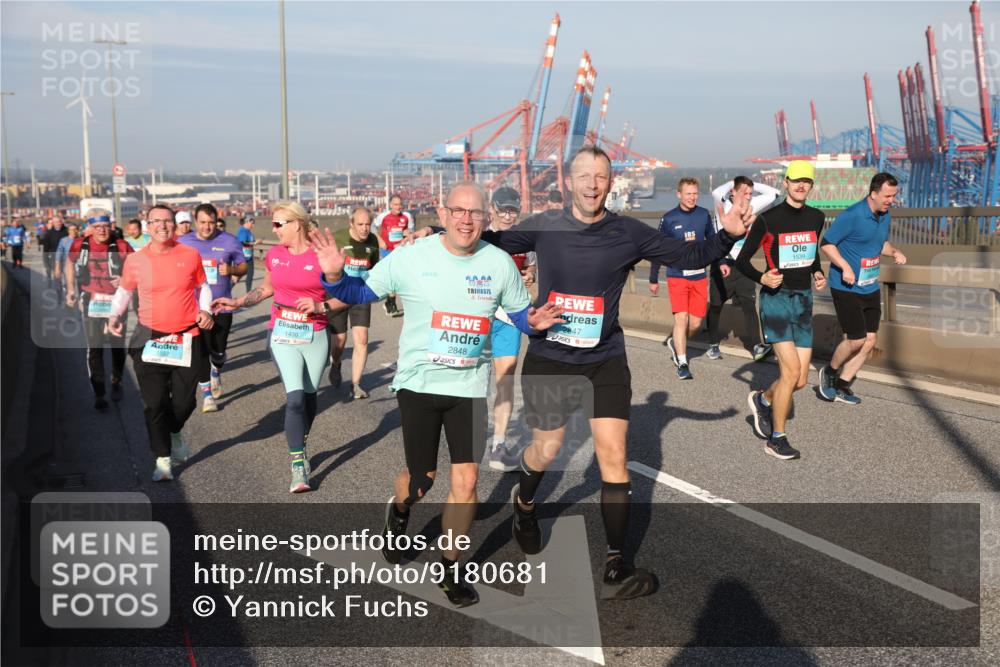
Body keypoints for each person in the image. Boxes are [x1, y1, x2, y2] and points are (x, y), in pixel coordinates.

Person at [408, 146, 752, 600]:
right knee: (546, 449)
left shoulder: (629, 232)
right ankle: (525, 503)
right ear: (570, 182)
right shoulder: (546, 225)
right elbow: (484, 240)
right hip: (552, 358)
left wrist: (726, 235)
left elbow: (692, 252)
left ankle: (616, 564)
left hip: (605, 358)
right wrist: (435, 235)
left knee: (613, 455)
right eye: (584, 176)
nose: (592, 184)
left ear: (611, 183)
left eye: (601, 176)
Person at [314, 181, 563, 608]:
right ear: (443, 214)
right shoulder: (410, 257)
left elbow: (520, 314)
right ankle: (400, 508)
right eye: (459, 211)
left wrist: (534, 322)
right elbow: (357, 294)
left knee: (466, 481)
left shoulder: (499, 263)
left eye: (476, 213)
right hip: (419, 383)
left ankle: (449, 568)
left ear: (486, 220)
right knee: (422, 482)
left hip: (468, 387)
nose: (467, 219)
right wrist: (335, 275)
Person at [211, 202, 329, 494]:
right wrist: (238, 302)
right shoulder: (276, 255)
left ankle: (300, 441)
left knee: (310, 398)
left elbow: (343, 293)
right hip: (282, 332)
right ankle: (298, 465)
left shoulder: (321, 256)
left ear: (297, 224)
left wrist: (322, 305)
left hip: (315, 333)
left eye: (279, 224)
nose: (274, 230)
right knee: (295, 399)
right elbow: (267, 289)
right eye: (273, 224)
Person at [105, 204, 213, 482]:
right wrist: (114, 315)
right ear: (148, 226)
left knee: (185, 403)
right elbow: (125, 291)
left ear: (174, 226)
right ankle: (163, 458)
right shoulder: (136, 260)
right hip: (149, 338)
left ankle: (175, 432)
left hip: (187, 336)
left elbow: (203, 287)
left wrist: (206, 310)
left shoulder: (190, 255)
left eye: (167, 221)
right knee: (155, 403)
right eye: (156, 221)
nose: (162, 226)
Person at [736, 160, 827, 461]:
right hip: (776, 299)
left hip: (802, 300)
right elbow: (742, 261)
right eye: (796, 180)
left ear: (811, 186)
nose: (802, 185)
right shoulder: (768, 219)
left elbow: (811, 253)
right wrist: (762, 278)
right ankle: (777, 438)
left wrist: (817, 272)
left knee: (800, 380)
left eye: (807, 181)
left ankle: (763, 399)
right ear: (785, 182)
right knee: (789, 371)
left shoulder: (817, 217)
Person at [819, 172, 906, 404]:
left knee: (869, 341)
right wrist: (845, 267)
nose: (891, 200)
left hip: (869, 286)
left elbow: (879, 244)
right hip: (845, 286)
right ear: (873, 193)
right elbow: (827, 244)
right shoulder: (853, 215)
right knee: (856, 340)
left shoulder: (884, 214)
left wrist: (895, 251)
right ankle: (829, 372)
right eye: (887, 195)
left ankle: (842, 385)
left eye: (894, 196)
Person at [483, 186, 538, 472]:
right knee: (475, 380)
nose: (507, 216)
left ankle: (498, 445)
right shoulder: (479, 237)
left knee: (504, 379)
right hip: (478, 317)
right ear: (492, 209)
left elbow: (530, 268)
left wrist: (529, 274)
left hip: (508, 319)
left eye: (512, 211)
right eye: (502, 210)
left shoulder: (525, 241)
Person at [178, 203, 247, 412]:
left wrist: (233, 269)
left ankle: (216, 371)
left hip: (222, 306)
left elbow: (244, 266)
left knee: (218, 351)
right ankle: (207, 395)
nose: (207, 227)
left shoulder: (229, 241)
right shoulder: (182, 242)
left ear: (216, 222)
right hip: (195, 308)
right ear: (195, 222)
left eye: (210, 223)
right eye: (202, 223)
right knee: (200, 353)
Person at [705, 176, 781, 361]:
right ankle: (713, 344)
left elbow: (774, 193)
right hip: (722, 263)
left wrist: (751, 185)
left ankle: (756, 346)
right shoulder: (722, 203)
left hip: (742, 264)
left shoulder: (752, 204)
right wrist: (733, 182)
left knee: (749, 304)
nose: (748, 196)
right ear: (733, 191)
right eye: (744, 192)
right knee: (716, 305)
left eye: (750, 193)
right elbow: (716, 191)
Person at [64, 210, 134, 409]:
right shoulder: (80, 244)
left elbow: (136, 268)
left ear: (111, 226)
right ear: (90, 228)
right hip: (91, 299)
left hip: (116, 301)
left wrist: (125, 279)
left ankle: (117, 380)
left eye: (105, 226)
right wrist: (70, 289)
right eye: (97, 227)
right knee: (94, 347)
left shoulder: (121, 246)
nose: (102, 230)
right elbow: (69, 262)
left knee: (117, 344)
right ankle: (99, 393)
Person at [648, 178, 714, 380]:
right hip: (676, 276)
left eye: (695, 193)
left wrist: (721, 263)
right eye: (688, 193)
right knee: (681, 319)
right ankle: (683, 362)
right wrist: (653, 278)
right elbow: (657, 249)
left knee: (695, 324)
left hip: (699, 277)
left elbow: (713, 242)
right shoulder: (669, 219)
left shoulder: (704, 215)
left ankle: (677, 344)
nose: (692, 197)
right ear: (679, 194)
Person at [328, 206, 380, 398]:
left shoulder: (373, 241)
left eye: (368, 224)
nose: (365, 228)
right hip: (338, 294)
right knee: (339, 342)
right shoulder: (338, 238)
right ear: (351, 224)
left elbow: (374, 267)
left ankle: (356, 384)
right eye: (360, 224)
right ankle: (336, 363)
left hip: (360, 294)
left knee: (362, 339)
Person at [372, 194, 413, 316]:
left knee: (395, 277)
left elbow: (410, 232)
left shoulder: (407, 217)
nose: (398, 207)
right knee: (392, 276)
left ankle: (390, 302)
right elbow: (373, 228)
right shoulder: (383, 216)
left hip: (400, 250)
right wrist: (380, 240)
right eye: (395, 204)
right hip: (386, 250)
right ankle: (391, 303)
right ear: (390, 205)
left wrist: (406, 236)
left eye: (400, 204)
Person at [54, 222, 80, 297]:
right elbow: (59, 253)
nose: (73, 231)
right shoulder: (64, 240)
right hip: (68, 266)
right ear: (68, 231)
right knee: (68, 283)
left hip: (79, 266)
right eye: (71, 230)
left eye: (75, 229)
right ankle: (68, 296)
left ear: (77, 230)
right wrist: (57, 266)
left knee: (79, 283)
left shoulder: (82, 239)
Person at [236, 215, 261, 292]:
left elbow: (250, 242)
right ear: (247, 222)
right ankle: (227, 289)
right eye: (252, 223)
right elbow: (243, 242)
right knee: (237, 276)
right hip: (242, 257)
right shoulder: (242, 231)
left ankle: (248, 293)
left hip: (249, 257)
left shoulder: (249, 232)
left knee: (250, 275)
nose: (253, 225)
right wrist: (255, 243)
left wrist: (255, 242)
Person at [40, 217, 69, 284]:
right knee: (57, 274)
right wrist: (46, 260)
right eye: (56, 222)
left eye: (59, 222)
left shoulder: (66, 231)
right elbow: (46, 248)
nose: (58, 223)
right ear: (53, 223)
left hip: (65, 257)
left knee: (66, 274)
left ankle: (66, 287)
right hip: (54, 257)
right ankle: (58, 288)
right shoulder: (49, 233)